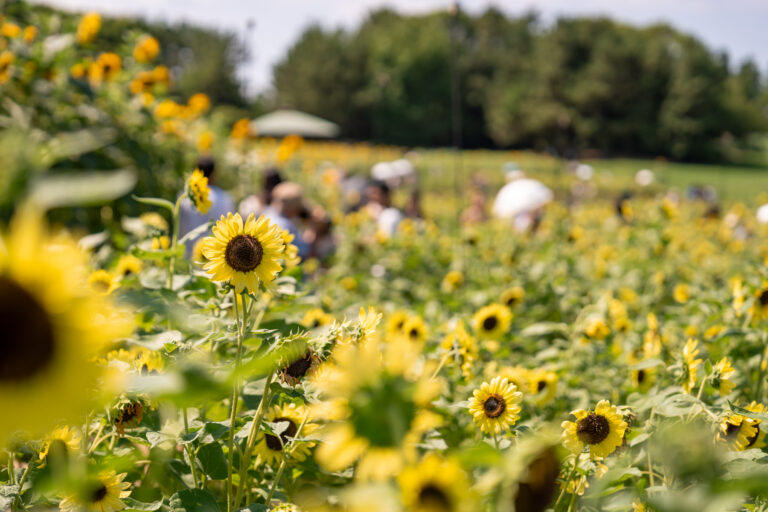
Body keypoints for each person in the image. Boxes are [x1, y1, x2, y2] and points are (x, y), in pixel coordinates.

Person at [179, 157, 235, 256]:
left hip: (188, 254)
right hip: (216, 255)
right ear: (214, 174)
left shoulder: (184, 197)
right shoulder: (224, 198)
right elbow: (231, 228)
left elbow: (180, 229)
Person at [262, 182, 309, 258]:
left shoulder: (267, 211)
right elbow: (303, 252)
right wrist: (313, 233)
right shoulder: (284, 225)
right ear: (293, 209)